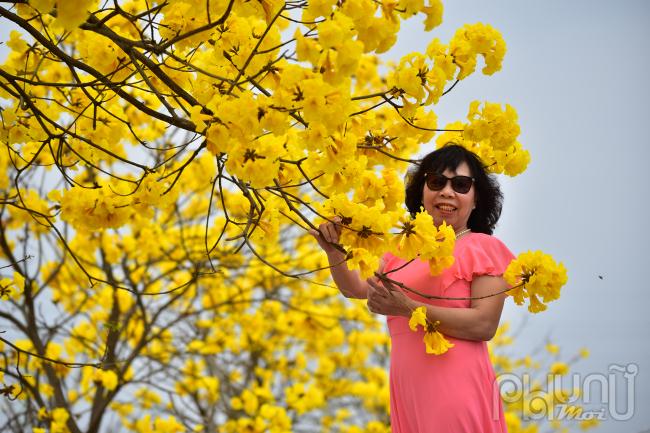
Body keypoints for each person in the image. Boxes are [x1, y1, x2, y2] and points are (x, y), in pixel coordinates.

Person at [311, 144, 513, 433]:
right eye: (436, 182)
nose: (447, 191)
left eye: (460, 184)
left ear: (476, 196)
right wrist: (333, 252)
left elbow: (484, 324)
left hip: (456, 390)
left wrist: (406, 308)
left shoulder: (483, 248)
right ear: (422, 191)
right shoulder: (401, 248)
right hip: (408, 393)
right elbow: (355, 288)